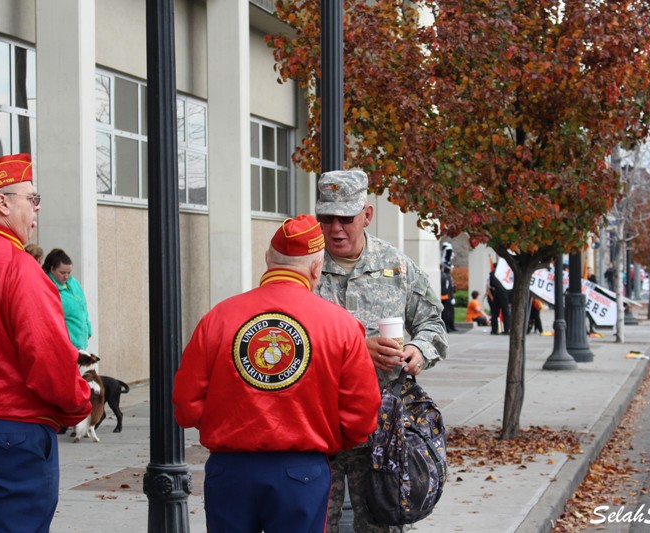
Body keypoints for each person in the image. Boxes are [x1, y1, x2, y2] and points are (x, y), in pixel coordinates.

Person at [173, 215, 381, 532]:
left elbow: (186, 403)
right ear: (316, 268)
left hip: (230, 468)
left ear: (269, 260)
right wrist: (331, 439)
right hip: (303, 470)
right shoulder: (340, 325)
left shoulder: (219, 317)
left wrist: (222, 423)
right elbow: (362, 411)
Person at [0, 153, 92, 532]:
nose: (36, 210)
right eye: (32, 199)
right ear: (3, 203)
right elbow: (49, 359)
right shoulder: (19, 268)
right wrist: (78, 404)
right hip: (12, 434)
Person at [313, 169, 447, 533]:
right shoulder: (306, 270)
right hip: (319, 427)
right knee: (316, 524)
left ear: (367, 215)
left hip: (380, 429)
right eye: (326, 218)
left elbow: (434, 323)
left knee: (379, 525)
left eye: (345, 218)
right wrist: (357, 350)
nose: (336, 229)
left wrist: (418, 351)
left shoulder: (396, 266)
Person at [43, 248, 92, 350]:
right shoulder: (47, 288)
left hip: (80, 344)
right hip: (64, 348)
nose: (66, 276)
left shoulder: (74, 283)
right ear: (52, 269)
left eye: (69, 272)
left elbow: (83, 307)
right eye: (62, 272)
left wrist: (88, 328)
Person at [486, 263, 511, 335]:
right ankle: (506, 329)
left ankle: (494, 330)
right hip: (504, 294)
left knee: (494, 313)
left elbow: (491, 285)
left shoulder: (492, 274)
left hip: (496, 294)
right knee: (505, 312)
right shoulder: (505, 273)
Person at [440, 260, 457, 332]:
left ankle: (449, 326)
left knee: (447, 313)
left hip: (445, 296)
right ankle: (448, 327)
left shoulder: (445, 276)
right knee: (446, 313)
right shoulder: (445, 276)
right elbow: (448, 288)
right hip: (446, 297)